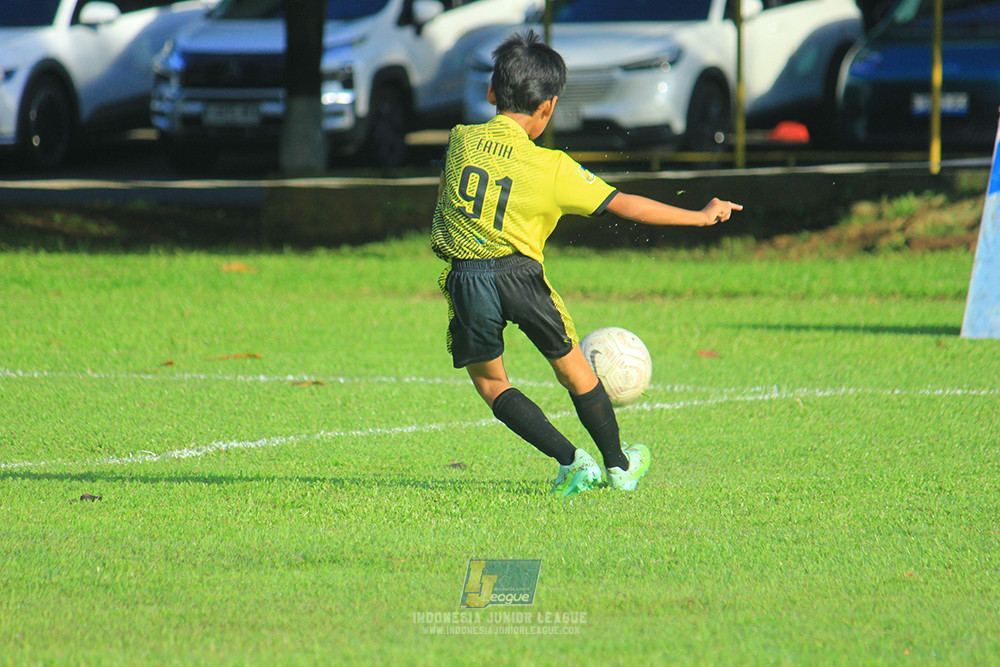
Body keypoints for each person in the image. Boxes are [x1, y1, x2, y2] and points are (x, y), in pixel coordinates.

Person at [430, 30, 742, 497]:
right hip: (520, 275)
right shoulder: (552, 166)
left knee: (493, 385)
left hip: (466, 277)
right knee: (575, 371)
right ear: (548, 106)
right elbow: (627, 204)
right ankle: (618, 466)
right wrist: (699, 217)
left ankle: (571, 460)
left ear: (492, 92)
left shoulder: (460, 141)